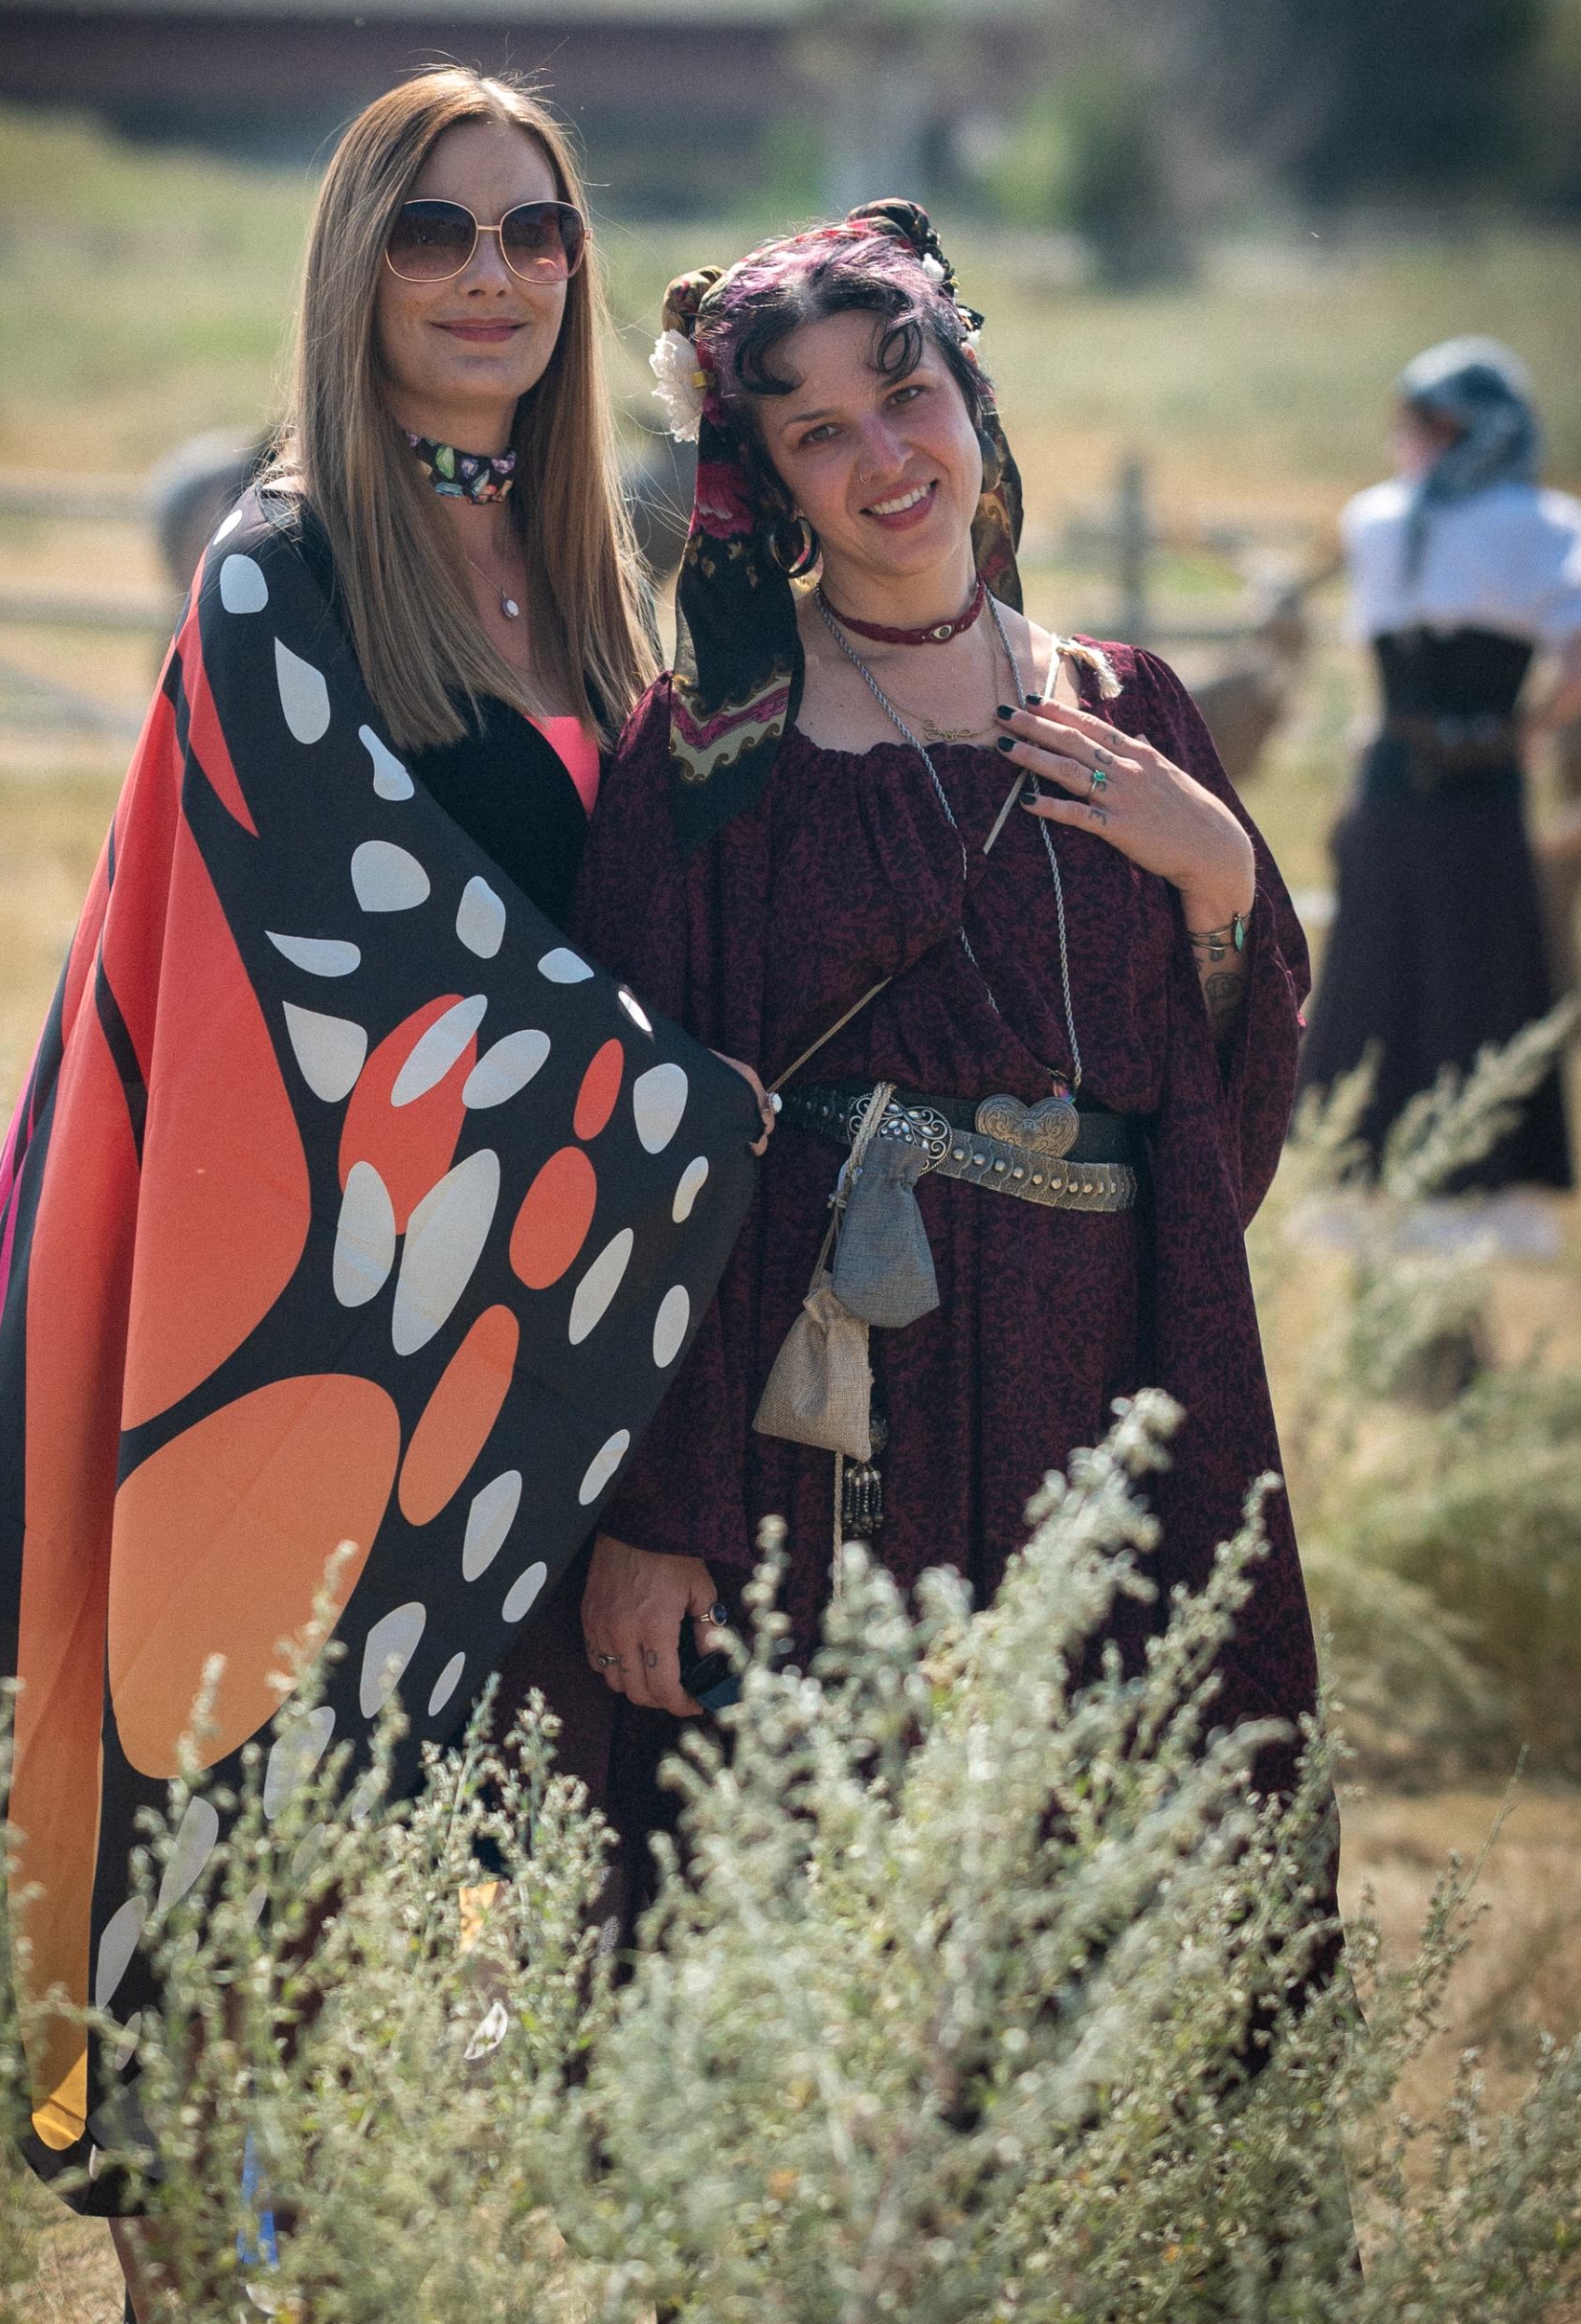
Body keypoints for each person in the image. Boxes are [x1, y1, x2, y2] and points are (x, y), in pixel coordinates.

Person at [0, 68, 768, 2324]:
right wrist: (693, 1121)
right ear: (356, 266)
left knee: (374, 1954)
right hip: (287, 1348)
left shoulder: (576, 584)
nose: (492, 273)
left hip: (496, 1368)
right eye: (436, 231)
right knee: (241, 1894)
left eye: (534, 232)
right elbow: (352, 943)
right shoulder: (288, 566)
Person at [489, 198, 1324, 1929]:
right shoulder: (713, 748)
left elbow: (1226, 1137)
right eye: (818, 431)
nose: (886, 455)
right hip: (825, 1417)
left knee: (1086, 1867)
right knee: (819, 1888)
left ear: (971, 388)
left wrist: (1222, 880)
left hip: (1101, 1393)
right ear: (765, 481)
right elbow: (640, 1153)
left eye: (907, 389)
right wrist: (657, 1508)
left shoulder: (1135, 710)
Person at [1297, 338, 1581, 1188]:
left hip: (1392, 776)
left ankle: (1365, 1171)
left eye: (1424, 421)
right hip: (1488, 781)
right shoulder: (1550, 526)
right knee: (1479, 974)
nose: (1408, 437)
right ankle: (1475, 1176)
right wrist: (1527, 728)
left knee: (1379, 969)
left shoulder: (1376, 518)